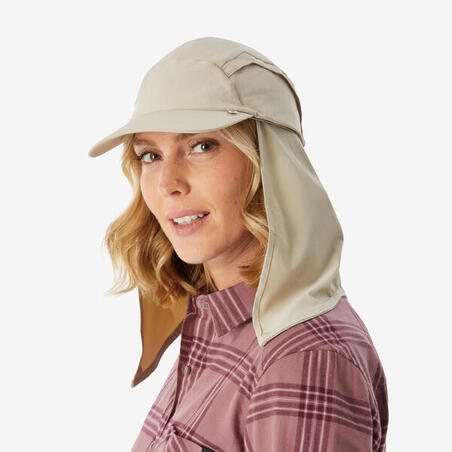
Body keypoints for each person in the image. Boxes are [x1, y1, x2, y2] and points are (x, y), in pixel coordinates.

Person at [88, 36, 389, 452]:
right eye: (150, 155)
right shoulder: (219, 325)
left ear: (271, 162)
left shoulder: (301, 358)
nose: (167, 183)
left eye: (201, 146)